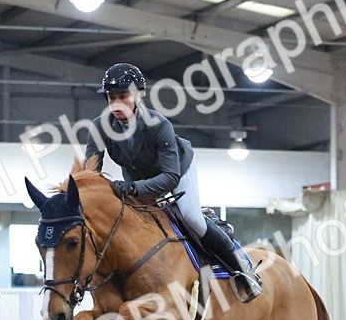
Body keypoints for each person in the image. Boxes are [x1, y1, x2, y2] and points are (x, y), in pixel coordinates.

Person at [82, 63, 262, 302]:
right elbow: (90, 172)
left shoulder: (159, 125)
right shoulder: (99, 127)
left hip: (176, 170)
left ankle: (242, 269)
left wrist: (133, 188)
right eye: (111, 97)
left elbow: (170, 178)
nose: (115, 103)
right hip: (136, 176)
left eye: (122, 96)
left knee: (191, 218)